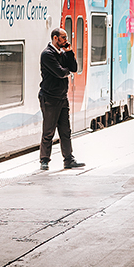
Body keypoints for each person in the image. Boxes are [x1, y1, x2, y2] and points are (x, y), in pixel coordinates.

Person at [38, 28, 85, 170]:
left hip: (62, 97)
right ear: (55, 38)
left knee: (65, 131)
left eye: (66, 37)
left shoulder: (63, 53)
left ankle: (69, 160)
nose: (66, 40)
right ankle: (44, 160)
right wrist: (67, 72)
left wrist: (70, 52)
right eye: (63, 37)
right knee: (49, 130)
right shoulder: (47, 54)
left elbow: (74, 68)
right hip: (49, 98)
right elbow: (59, 72)